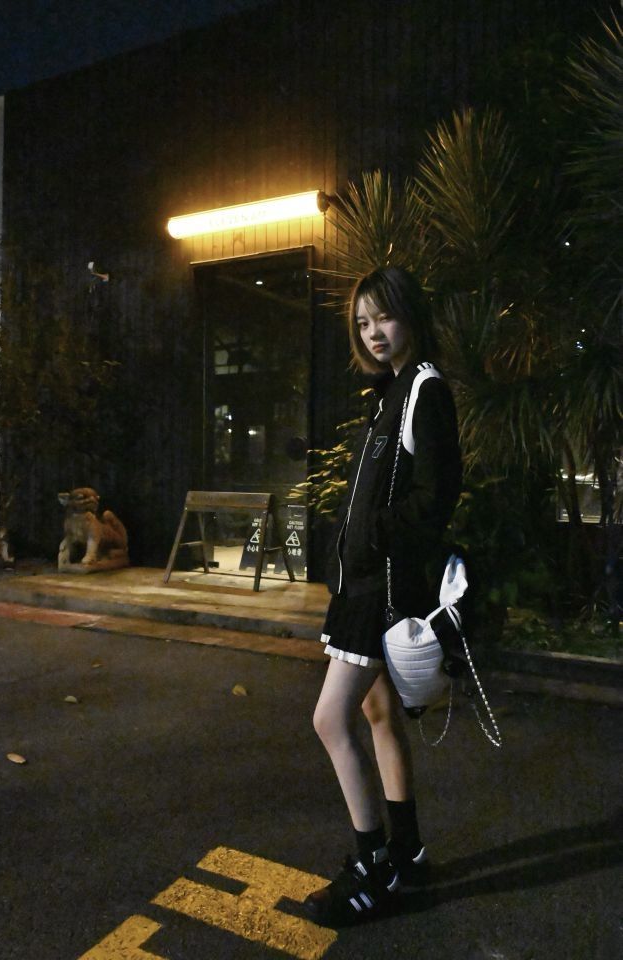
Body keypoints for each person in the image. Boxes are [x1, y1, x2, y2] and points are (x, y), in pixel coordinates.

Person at [304, 265, 462, 927]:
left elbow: (437, 495)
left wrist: (373, 535)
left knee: (329, 719)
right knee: (376, 711)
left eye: (384, 318)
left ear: (410, 316)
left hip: (381, 585)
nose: (373, 332)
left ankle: (372, 867)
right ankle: (408, 850)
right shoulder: (390, 391)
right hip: (363, 582)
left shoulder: (424, 388)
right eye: (363, 322)